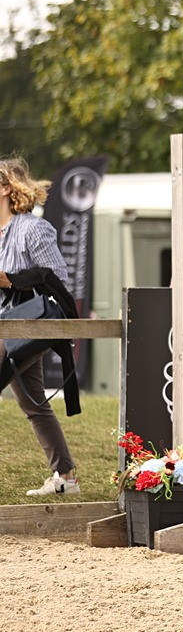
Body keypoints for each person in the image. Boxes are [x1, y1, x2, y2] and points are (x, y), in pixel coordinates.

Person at [0, 159, 79, 496]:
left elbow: (56, 278)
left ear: (6, 188)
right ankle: (66, 477)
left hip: (31, 324)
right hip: (7, 326)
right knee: (33, 403)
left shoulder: (33, 228)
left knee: (32, 403)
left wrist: (10, 280)